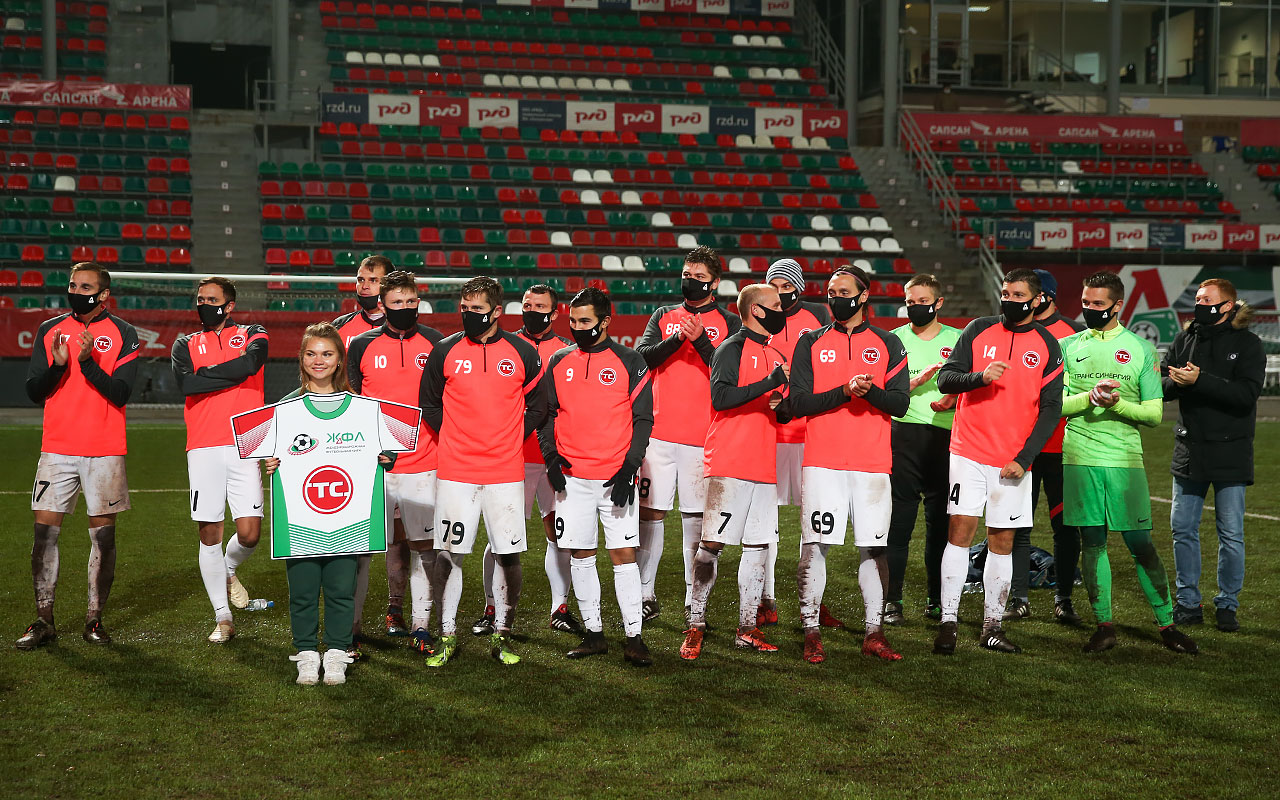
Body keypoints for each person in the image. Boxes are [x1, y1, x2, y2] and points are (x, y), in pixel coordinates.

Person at [1060, 271, 1197, 654]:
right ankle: (1104, 626)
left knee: (1141, 544)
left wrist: (1116, 404)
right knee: (1093, 543)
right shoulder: (1066, 346)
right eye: (1085, 303)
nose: (1090, 309)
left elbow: (1153, 414)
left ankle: (1167, 625)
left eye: (1098, 304)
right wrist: (1090, 398)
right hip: (1080, 456)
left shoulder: (1141, 349)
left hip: (1124, 459)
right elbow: (1056, 405)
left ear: (1118, 305)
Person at [934, 268, 1063, 655]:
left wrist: (1024, 459)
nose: (1009, 300)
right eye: (1005, 293)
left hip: (1012, 462)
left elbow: (1051, 409)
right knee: (959, 533)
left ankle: (992, 626)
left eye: (1017, 294)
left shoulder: (1047, 345)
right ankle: (948, 622)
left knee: (1002, 542)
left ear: (1037, 300)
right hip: (969, 453)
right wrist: (979, 377)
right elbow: (945, 379)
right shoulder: (978, 330)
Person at [260, 323, 397, 685]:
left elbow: (388, 448)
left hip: (346, 519)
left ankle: (337, 652)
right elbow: (267, 452)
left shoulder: (363, 409)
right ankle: (306, 653)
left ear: (339, 361)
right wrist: (268, 462)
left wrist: (385, 458)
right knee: (303, 590)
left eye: (326, 354)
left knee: (340, 589)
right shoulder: (285, 407)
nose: (318, 361)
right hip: (300, 517)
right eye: (310, 353)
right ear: (301, 359)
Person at [419, 276, 546, 667]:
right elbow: (429, 404)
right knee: (449, 554)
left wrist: (510, 437)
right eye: (465, 308)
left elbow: (540, 405)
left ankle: (502, 636)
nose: (469, 314)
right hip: (456, 471)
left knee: (508, 554)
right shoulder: (444, 351)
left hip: (505, 472)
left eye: (477, 309)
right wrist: (456, 437)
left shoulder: (522, 352)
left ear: (496, 311)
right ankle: (446, 635)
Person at [789, 266, 910, 664]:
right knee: (815, 545)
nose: (835, 298)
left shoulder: (888, 343)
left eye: (843, 292)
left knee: (874, 547)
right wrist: (844, 391)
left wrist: (869, 392)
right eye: (831, 292)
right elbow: (799, 403)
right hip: (823, 461)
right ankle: (811, 631)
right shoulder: (810, 342)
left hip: (872, 463)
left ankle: (874, 633)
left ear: (863, 296)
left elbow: (900, 404)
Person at [19, 262, 139, 650]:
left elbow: (120, 393)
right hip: (57, 447)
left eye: (85, 287)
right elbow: (34, 391)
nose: (76, 291)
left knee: (103, 537)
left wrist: (86, 362)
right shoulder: (49, 330)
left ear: (103, 295)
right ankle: (44, 620)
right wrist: (58, 367)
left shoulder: (124, 333)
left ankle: (94, 619)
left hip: (104, 449)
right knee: (44, 533)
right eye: (73, 285)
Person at [538, 287, 654, 665]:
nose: (576, 327)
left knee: (624, 556)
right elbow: (546, 415)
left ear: (605, 322)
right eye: (572, 321)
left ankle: (634, 638)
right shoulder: (558, 361)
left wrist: (629, 468)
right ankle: (594, 634)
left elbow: (643, 420)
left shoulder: (631, 361)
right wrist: (551, 459)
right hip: (572, 479)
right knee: (580, 555)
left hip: (616, 477)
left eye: (584, 321)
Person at [681, 283, 791, 660]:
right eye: (775, 305)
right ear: (756, 310)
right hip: (729, 461)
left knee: (758, 548)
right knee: (712, 545)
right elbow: (721, 397)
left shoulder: (775, 352)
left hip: (763, 464)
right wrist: (769, 383)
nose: (782, 310)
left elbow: (776, 407)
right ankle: (695, 624)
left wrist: (781, 404)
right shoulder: (730, 348)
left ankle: (746, 629)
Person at [635, 246, 741, 624]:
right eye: (686, 274)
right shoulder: (664, 315)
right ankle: (645, 594)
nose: (690, 282)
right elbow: (642, 356)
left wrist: (699, 341)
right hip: (659, 435)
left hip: (703, 437)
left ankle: (691, 599)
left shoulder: (729, 321)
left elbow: (730, 372)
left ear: (715, 283)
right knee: (651, 514)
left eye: (699, 277)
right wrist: (676, 340)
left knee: (695, 521)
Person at [474, 285, 581, 639]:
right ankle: (491, 608)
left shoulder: (566, 351)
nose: (532, 310)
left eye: (539, 306)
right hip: (511, 458)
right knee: (500, 538)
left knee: (560, 534)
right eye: (527, 305)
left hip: (554, 459)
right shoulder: (504, 347)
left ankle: (559, 608)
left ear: (555, 313)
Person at [346, 270, 444, 654]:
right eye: (396, 302)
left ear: (418, 301)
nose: (405, 307)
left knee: (424, 549)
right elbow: (353, 403)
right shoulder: (361, 345)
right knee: (360, 553)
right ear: (382, 305)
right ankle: (352, 631)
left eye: (410, 301)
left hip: (425, 464)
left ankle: (421, 627)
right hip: (375, 468)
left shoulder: (437, 343)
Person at [1162, 278, 1264, 632]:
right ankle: (1188, 603)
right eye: (1198, 298)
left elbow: (1246, 396)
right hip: (1189, 450)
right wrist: (1177, 382)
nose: (1199, 304)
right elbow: (1161, 387)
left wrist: (1199, 381)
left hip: (1231, 452)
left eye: (1207, 299)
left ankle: (1227, 605)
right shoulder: (1185, 338)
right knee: (1182, 530)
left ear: (1228, 306)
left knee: (1231, 534)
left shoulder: (1248, 344)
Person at [171, 277, 269, 644]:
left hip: (246, 442)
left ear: (229, 306)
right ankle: (223, 617)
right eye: (200, 298)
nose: (204, 304)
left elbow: (251, 364)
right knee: (209, 532)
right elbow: (186, 385)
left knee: (250, 534)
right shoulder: (184, 343)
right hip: (203, 446)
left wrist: (205, 376)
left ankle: (227, 570)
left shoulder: (254, 332)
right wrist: (232, 372)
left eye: (211, 299)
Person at [761, 258, 842, 630]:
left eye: (786, 285)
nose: (781, 293)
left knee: (815, 521)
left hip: (811, 432)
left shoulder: (818, 316)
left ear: (799, 287)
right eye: (774, 286)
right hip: (770, 433)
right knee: (766, 522)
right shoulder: (759, 316)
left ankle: (814, 600)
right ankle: (766, 599)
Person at [330, 254, 405, 641]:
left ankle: (396, 610)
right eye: (360, 278)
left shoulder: (409, 333)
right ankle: (351, 624)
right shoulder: (341, 329)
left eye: (372, 280)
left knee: (400, 537)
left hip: (403, 449)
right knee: (356, 538)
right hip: (354, 447)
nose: (364, 285)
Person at [1005, 269, 1085, 623]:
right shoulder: (1009, 331)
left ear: (1044, 297)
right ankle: (1018, 598)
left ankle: (1063, 599)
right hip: (1020, 447)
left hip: (1061, 447)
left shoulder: (1074, 334)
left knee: (1065, 526)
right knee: (1017, 524)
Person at [884, 274, 960, 625]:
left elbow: (972, 386)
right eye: (910, 302)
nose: (915, 307)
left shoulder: (958, 340)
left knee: (939, 526)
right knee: (899, 523)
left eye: (923, 301)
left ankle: (936, 599)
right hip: (903, 436)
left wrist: (953, 398)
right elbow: (883, 390)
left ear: (938, 303)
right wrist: (911, 383)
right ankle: (893, 600)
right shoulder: (893, 340)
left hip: (945, 439)